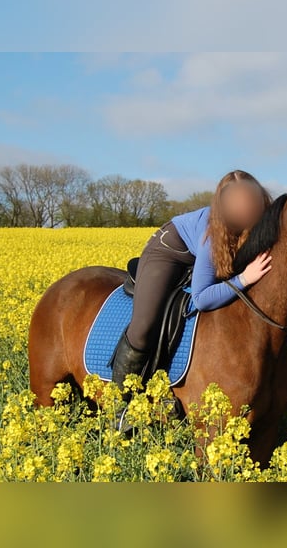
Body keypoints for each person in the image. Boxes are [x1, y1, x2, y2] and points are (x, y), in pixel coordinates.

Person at [110, 170, 273, 425]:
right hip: (171, 250)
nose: (245, 208)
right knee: (144, 325)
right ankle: (122, 405)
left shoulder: (265, 220)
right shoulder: (213, 234)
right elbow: (201, 299)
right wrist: (244, 279)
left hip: (213, 252)